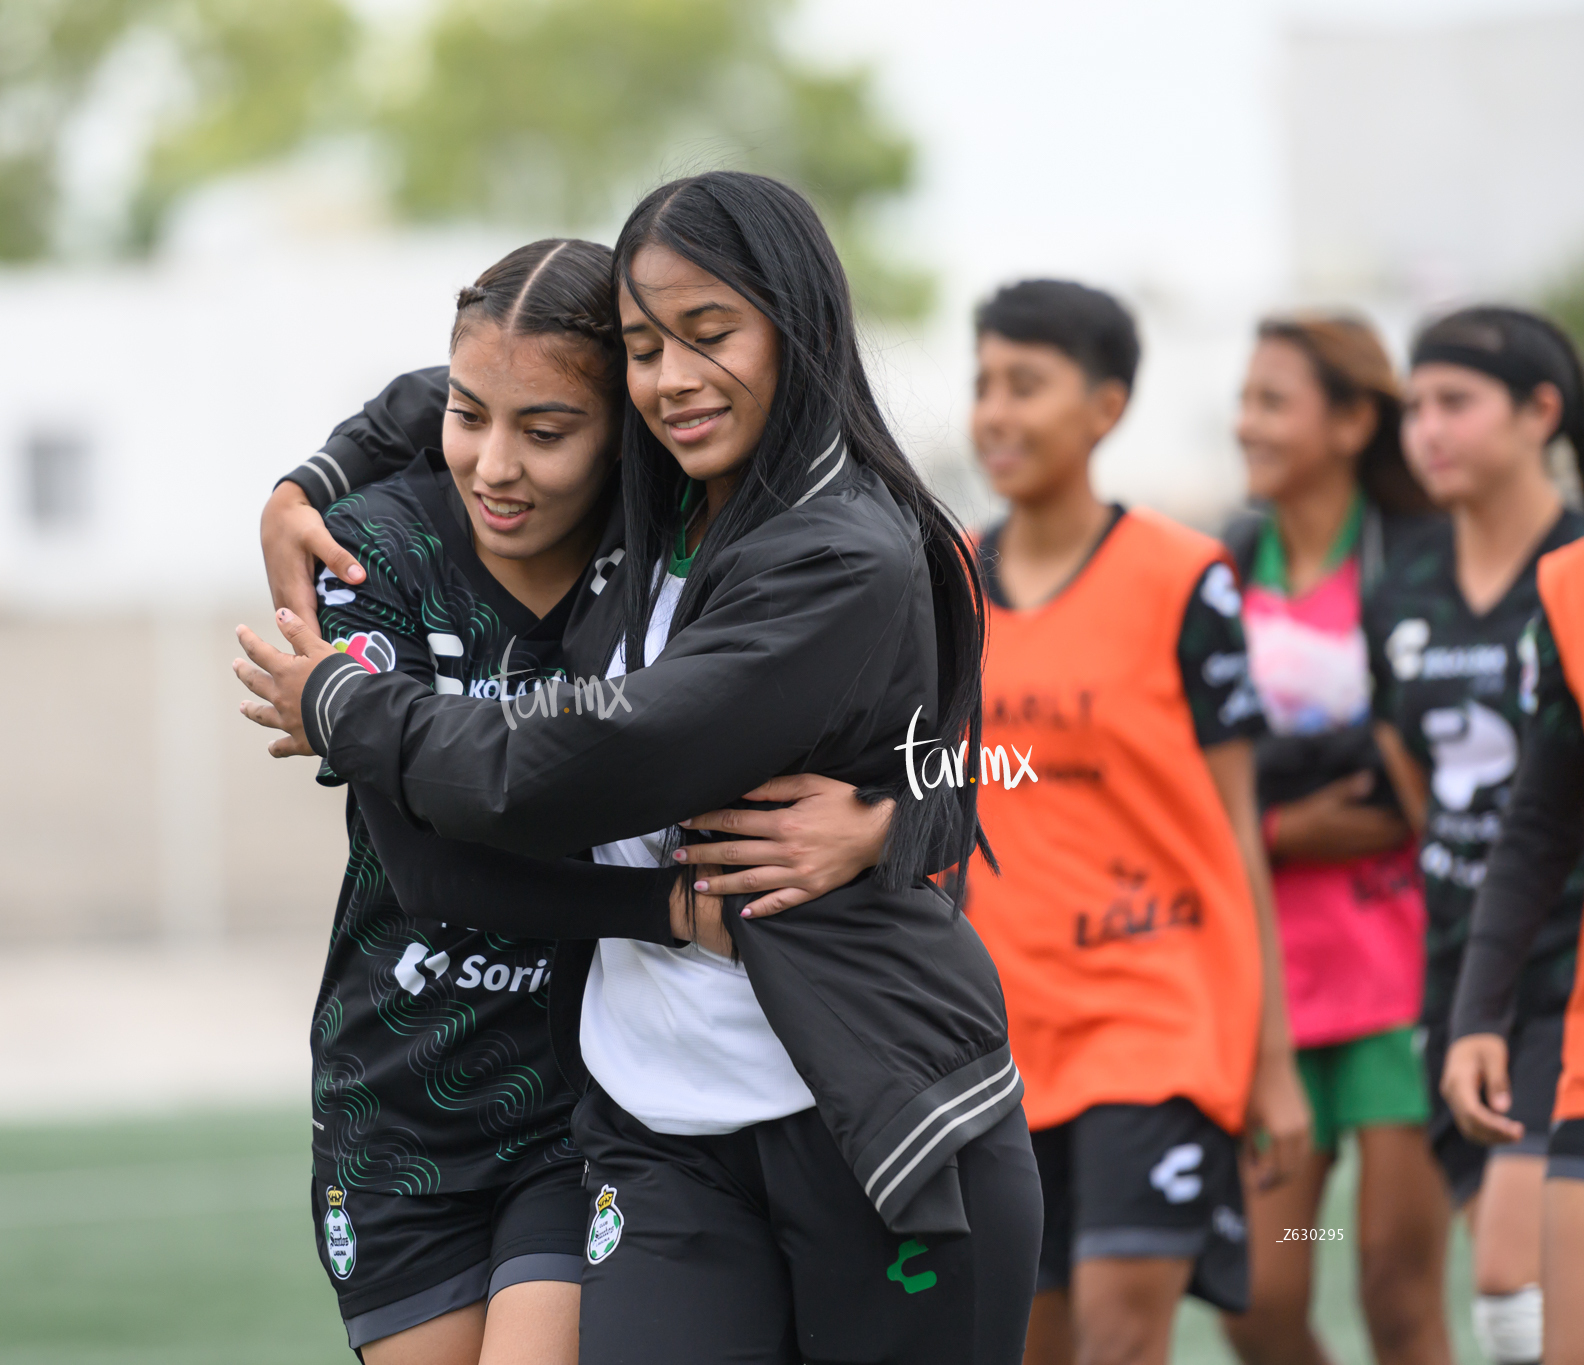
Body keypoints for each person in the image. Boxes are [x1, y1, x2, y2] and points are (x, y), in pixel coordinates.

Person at [240, 170, 1045, 1365]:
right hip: (650, 1131)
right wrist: (312, 473)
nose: (671, 378)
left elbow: (599, 757)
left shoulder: (845, 547)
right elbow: (500, 386)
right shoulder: (655, 488)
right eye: (643, 347)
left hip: (863, 1116)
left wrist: (347, 705)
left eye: (709, 335)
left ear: (796, 325)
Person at [957, 279, 1312, 1365]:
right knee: (1031, 1343)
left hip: (1151, 1012)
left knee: (1121, 1338)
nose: (995, 413)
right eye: (981, 385)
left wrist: (1271, 1062)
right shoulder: (943, 587)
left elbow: (1236, 829)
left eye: (1026, 383)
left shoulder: (1180, 579)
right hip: (995, 1030)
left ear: (1103, 406)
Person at [1219, 315, 1451, 1365]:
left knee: (1398, 1296)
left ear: (1353, 420)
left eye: (1272, 400)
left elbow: (1443, 756)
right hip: (1265, 986)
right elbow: (1192, 768)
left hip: (1402, 978)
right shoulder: (1223, 562)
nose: (1244, 423)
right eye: (1244, 399)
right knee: (1259, 1301)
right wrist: (1278, 824)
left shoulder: (1418, 557)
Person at [1389, 305, 1584, 1365]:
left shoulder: (1565, 562)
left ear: (1537, 413)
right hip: (1465, 967)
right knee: (1499, 1289)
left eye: (1452, 401)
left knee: (1511, 1272)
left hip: (1564, 977)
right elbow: (1457, 805)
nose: (1426, 428)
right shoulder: (1401, 591)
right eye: (1413, 404)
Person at [1443, 533, 1584, 1365]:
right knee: (1514, 1298)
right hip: (1572, 1044)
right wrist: (1475, 1015)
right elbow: (1539, 821)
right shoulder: (1567, 588)